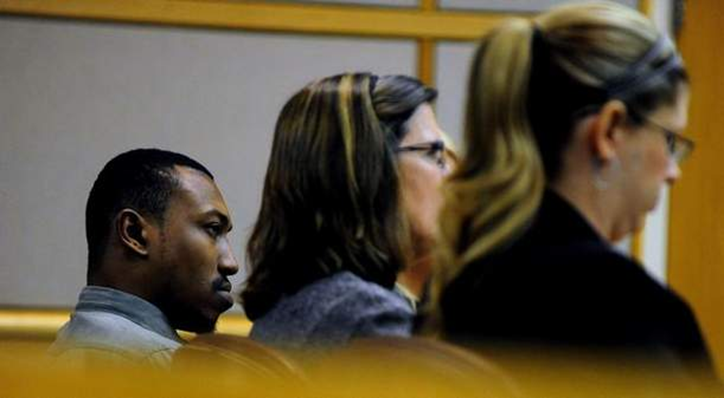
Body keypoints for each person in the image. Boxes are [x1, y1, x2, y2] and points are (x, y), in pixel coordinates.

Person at [428, 1, 715, 381]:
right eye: (669, 139)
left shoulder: (453, 286)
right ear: (610, 130)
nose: (673, 172)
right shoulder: (631, 312)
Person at [242, 73, 450, 348]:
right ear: (372, 169)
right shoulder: (368, 317)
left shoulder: (297, 303)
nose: (450, 176)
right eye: (434, 154)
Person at [49, 148, 239, 366]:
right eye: (213, 228)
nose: (231, 263)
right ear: (134, 233)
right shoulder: (126, 362)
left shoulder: (85, 346)